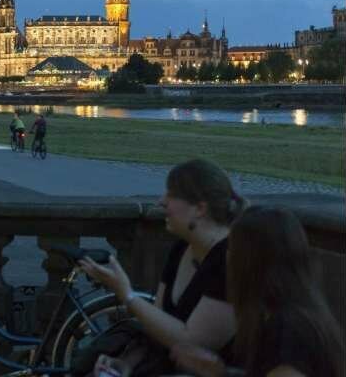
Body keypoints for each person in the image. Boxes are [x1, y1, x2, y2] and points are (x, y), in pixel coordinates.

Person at [76, 159, 245, 375]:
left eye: (171, 195)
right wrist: (127, 363)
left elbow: (192, 344)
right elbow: (156, 330)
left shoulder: (231, 259)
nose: (161, 201)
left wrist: (127, 295)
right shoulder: (183, 247)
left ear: (200, 208)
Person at [170, 207, 345, 377]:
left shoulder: (286, 330)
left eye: (231, 248)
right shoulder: (293, 316)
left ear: (248, 262)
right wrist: (220, 372)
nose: (226, 256)